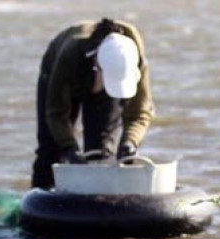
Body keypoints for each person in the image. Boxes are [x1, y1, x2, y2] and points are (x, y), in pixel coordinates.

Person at [32, 18, 155, 189]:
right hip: (61, 74)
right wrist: (69, 147)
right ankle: (39, 203)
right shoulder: (70, 55)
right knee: (51, 151)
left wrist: (130, 142)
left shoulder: (135, 57)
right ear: (97, 64)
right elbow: (56, 113)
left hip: (103, 83)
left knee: (102, 154)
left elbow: (140, 112)